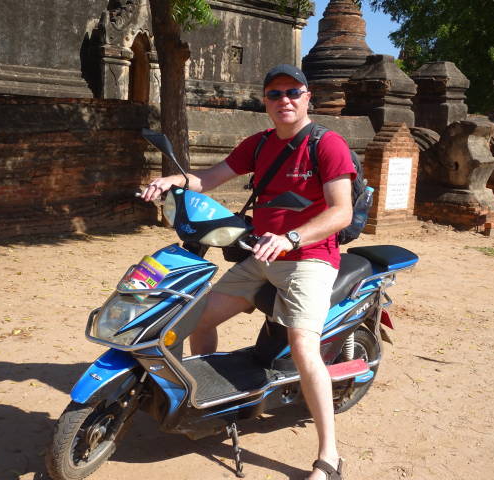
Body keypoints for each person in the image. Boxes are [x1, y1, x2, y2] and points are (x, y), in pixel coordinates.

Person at [141, 64, 355, 480]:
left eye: (292, 92)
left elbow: (341, 211)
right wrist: (173, 181)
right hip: (262, 255)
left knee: (302, 347)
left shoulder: (327, 144)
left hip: (309, 259)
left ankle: (329, 456)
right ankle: (209, 404)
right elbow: (209, 178)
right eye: (275, 94)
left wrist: (291, 238)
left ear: (307, 97)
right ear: (265, 101)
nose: (284, 100)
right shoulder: (259, 144)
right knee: (197, 317)